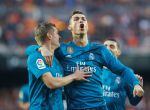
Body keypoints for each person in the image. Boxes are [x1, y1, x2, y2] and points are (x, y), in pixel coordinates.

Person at [27, 10, 144, 110]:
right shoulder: (61, 50)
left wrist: (135, 84)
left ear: (87, 25)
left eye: (83, 19)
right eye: (76, 19)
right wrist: (39, 48)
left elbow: (123, 70)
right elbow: (36, 49)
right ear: (70, 27)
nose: (80, 21)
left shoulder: (100, 50)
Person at [26, 22, 91, 110]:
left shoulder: (57, 61)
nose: (59, 37)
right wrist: (74, 76)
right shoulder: (36, 57)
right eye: (57, 33)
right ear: (49, 36)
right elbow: (51, 83)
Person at [102, 39, 143, 110]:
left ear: (118, 52)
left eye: (112, 46)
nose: (108, 48)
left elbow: (133, 102)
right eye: (105, 46)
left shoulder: (127, 73)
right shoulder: (94, 70)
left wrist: (139, 94)